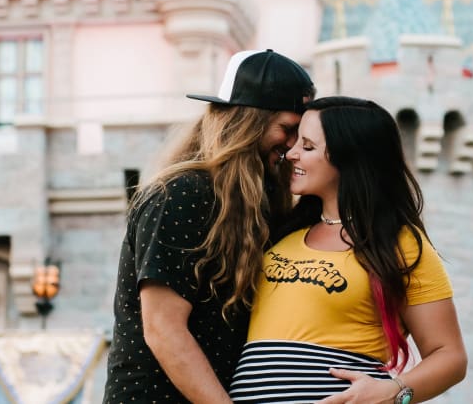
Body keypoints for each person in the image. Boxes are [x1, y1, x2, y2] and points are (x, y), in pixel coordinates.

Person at [103, 49, 315, 403]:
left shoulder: (254, 202)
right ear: (249, 122)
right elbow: (163, 328)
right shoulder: (182, 193)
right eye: (287, 129)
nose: (292, 146)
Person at [228, 96, 468, 404]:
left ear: (349, 157)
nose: (292, 154)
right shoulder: (280, 234)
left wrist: (394, 394)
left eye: (308, 146)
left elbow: (450, 357)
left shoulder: (399, 243)